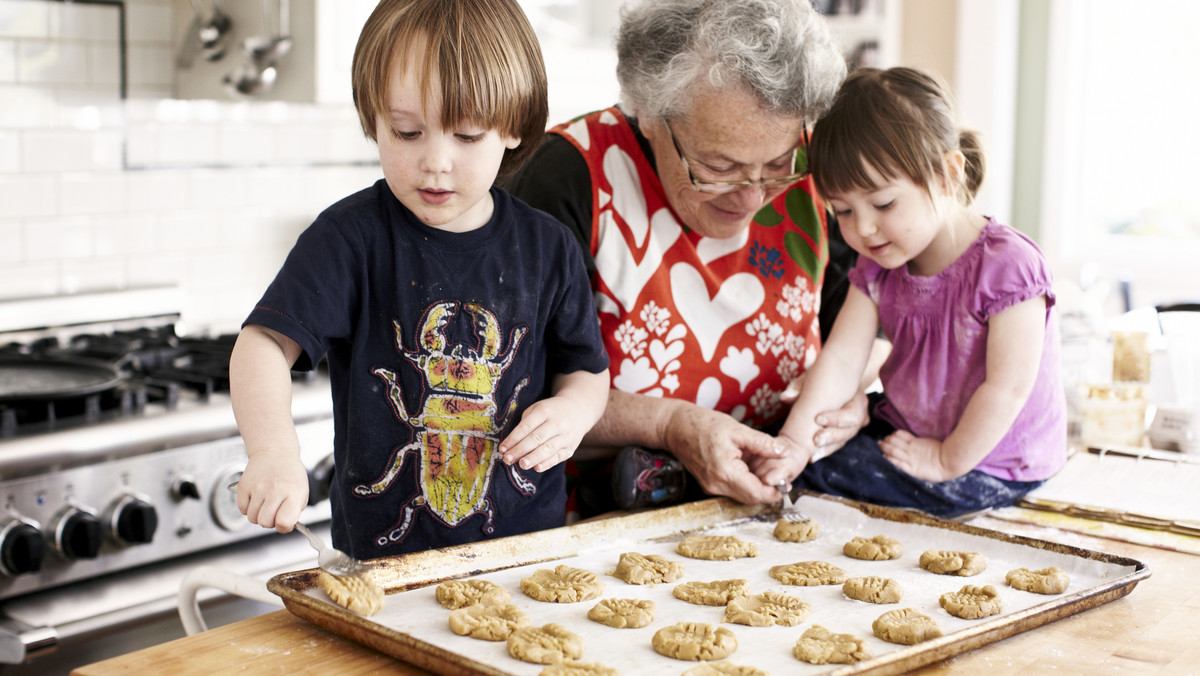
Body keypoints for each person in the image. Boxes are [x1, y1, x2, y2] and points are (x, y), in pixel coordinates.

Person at [228, 0, 610, 560]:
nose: (435, 160)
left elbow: (586, 370)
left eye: (467, 135)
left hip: (525, 557)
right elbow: (261, 344)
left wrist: (574, 411)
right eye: (406, 132)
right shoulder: (348, 239)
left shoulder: (549, 247)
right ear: (373, 121)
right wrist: (271, 450)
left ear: (511, 129)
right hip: (381, 565)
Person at [505, 0, 879, 517]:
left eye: (776, 164)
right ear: (650, 113)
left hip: (780, 506)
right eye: (719, 167)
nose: (752, 196)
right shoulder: (569, 177)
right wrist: (670, 425)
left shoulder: (819, 169)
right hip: (597, 521)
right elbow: (513, 386)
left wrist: (848, 403)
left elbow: (867, 329)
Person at [755, 67, 1067, 517]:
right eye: (842, 211)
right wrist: (795, 442)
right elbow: (843, 358)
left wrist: (945, 459)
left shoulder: (1008, 266)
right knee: (798, 445)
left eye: (883, 204)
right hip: (913, 428)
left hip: (991, 459)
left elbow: (1008, 390)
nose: (862, 228)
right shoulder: (880, 265)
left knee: (826, 479)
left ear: (946, 175)